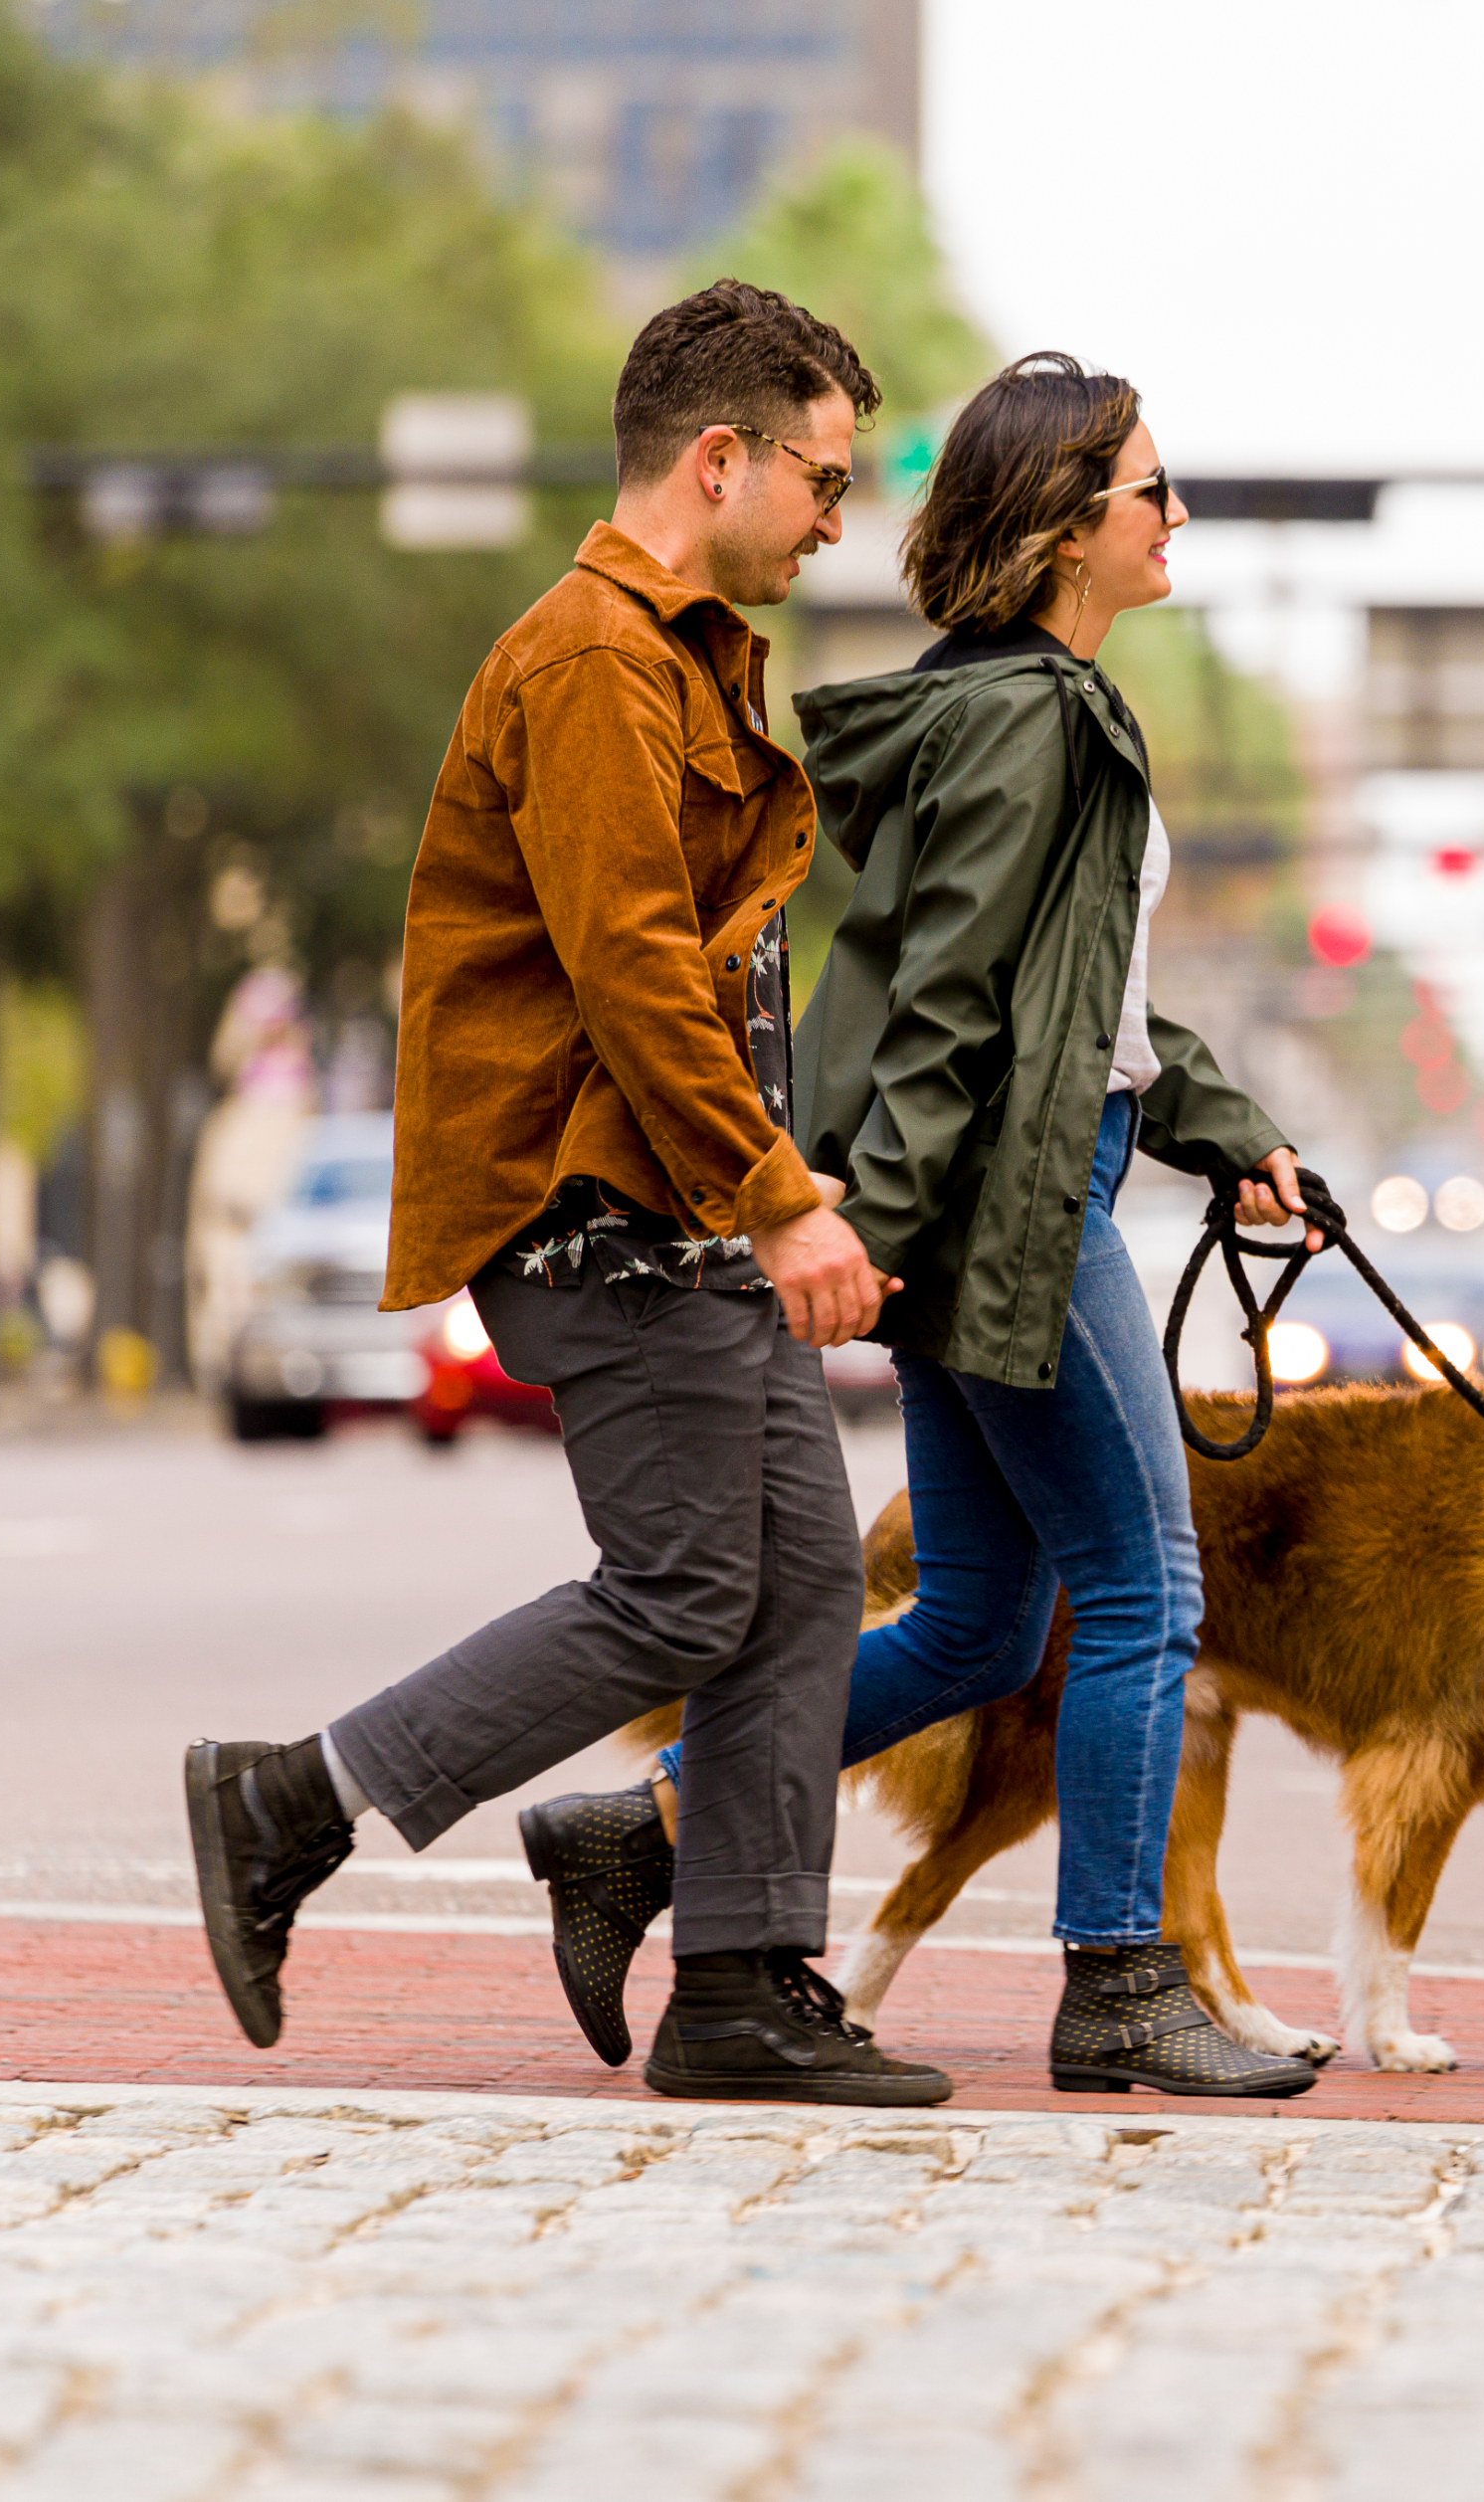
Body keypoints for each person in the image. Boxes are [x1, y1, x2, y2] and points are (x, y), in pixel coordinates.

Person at [517, 350, 1325, 2099]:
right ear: (1065, 528)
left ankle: (642, 1831)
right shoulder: (1042, 720)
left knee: (973, 1618)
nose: (1177, 516)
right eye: (1153, 493)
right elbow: (952, 1007)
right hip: (1016, 1201)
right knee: (1148, 1589)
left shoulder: (993, 706)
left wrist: (1231, 1133)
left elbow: (1079, 1006)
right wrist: (870, 1228)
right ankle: (1121, 1982)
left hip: (996, 1183)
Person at [182, 281, 950, 2108]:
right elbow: (630, 970)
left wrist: (764, 1190)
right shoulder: (595, 661)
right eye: (823, 480)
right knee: (687, 1590)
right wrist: (779, 1196)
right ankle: (295, 1800)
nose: (836, 520)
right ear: (720, 459)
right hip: (607, 1213)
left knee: (800, 1593)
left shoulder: (681, 653)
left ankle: (742, 1982)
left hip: (685, 1210)